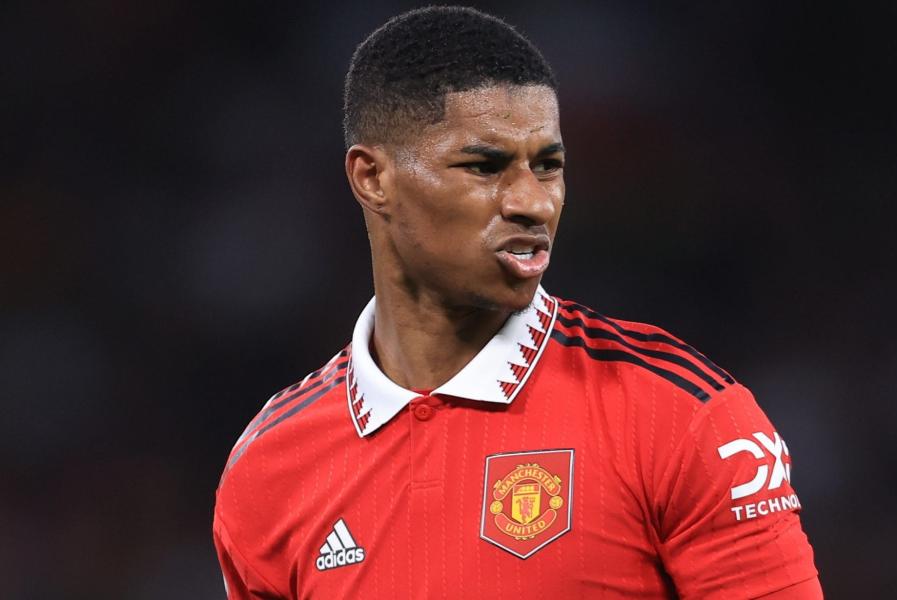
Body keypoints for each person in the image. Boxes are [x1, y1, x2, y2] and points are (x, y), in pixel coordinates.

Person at [213, 6, 821, 599]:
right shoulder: (269, 466)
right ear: (373, 179)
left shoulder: (680, 415)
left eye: (549, 166)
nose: (534, 202)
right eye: (485, 166)